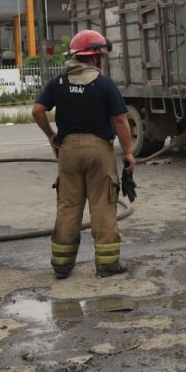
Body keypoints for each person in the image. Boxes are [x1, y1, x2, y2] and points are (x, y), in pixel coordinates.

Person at [32, 29, 136, 280]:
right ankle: (107, 264)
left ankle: (61, 265)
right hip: (99, 149)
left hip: (68, 150)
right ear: (95, 58)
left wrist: (51, 136)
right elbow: (120, 121)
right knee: (102, 205)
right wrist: (129, 153)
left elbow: (37, 110)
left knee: (68, 206)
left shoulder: (59, 82)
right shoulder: (104, 83)